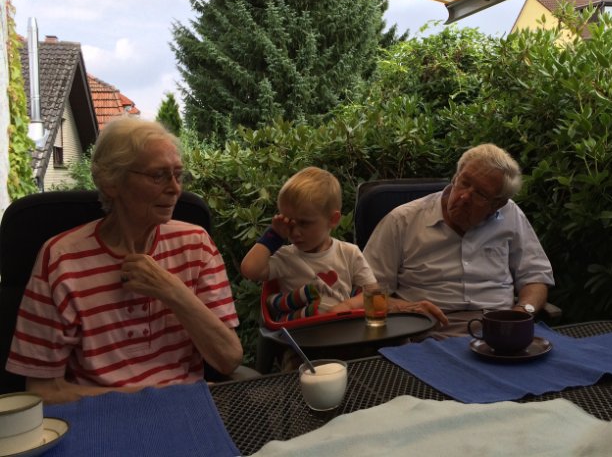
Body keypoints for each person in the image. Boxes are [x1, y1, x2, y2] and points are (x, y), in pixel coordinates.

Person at [5, 117, 243, 404]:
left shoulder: (196, 244)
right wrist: (142, 400)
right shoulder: (61, 259)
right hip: (100, 416)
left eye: (178, 175)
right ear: (111, 181)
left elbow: (228, 359)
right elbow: (42, 389)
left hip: (185, 411)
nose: (175, 188)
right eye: (158, 176)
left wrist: (171, 290)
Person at [364, 143, 554, 337]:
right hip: (428, 330)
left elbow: (535, 276)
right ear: (455, 177)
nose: (464, 196)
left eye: (480, 194)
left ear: (497, 204)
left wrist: (522, 312)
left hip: (499, 328)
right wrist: (409, 308)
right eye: (464, 182)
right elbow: (368, 292)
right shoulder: (403, 220)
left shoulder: (510, 214)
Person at [241, 167, 377, 318]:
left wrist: (347, 305)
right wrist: (274, 235)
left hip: (342, 328)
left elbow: (373, 292)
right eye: (289, 223)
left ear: (333, 220)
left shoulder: (349, 253)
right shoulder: (286, 257)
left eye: (304, 223)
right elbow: (250, 269)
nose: (295, 232)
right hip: (302, 330)